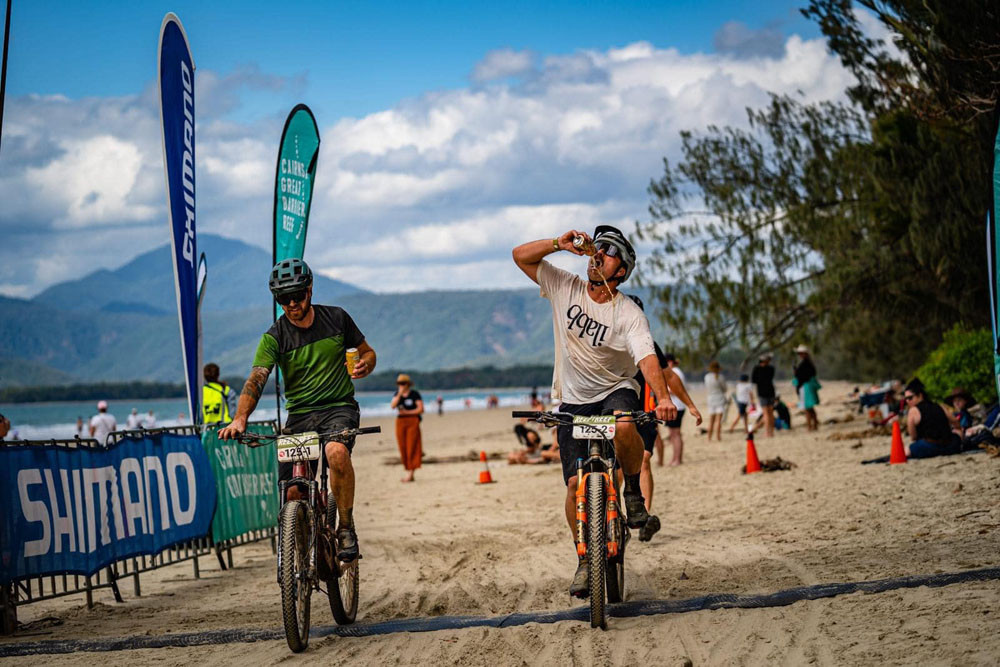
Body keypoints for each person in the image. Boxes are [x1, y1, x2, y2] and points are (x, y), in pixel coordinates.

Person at [513, 225, 676, 598]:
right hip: (572, 399)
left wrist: (663, 397)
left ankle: (632, 492)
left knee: (623, 425)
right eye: (597, 246)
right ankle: (585, 559)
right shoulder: (565, 286)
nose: (598, 253)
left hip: (615, 390)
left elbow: (648, 358)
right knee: (574, 487)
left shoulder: (629, 312)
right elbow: (520, 255)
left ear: (621, 271)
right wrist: (559, 244)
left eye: (609, 250)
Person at [219, 258, 376, 563]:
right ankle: (300, 560)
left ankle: (346, 527)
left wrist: (366, 363)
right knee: (292, 493)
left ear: (310, 289)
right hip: (300, 417)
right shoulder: (274, 337)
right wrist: (240, 419)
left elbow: (367, 351)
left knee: (336, 453)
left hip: (338, 408)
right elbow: (256, 378)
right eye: (283, 299)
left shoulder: (337, 318)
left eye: (297, 296)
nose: (291, 304)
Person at [626, 294, 701, 542]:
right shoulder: (606, 342)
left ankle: (644, 516)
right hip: (617, 412)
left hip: (645, 412)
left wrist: (689, 405)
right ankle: (615, 518)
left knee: (644, 460)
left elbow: (669, 377)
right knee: (616, 469)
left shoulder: (647, 344)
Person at [903, 379, 960, 458]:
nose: (907, 401)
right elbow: (955, 422)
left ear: (920, 395)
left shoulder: (913, 410)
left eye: (910, 398)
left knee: (907, 449)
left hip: (929, 447)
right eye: (906, 399)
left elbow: (913, 437)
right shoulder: (939, 406)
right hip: (949, 445)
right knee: (956, 436)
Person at [390, 374, 424, 482]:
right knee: (403, 446)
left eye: (403, 383)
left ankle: (410, 473)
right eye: (400, 383)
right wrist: (400, 393)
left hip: (413, 421)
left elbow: (420, 409)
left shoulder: (414, 394)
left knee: (412, 446)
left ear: (408, 384)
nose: (402, 385)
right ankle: (409, 471)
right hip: (400, 421)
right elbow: (393, 406)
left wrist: (407, 412)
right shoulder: (397, 394)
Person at [792, 345, 821, 431]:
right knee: (810, 407)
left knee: (807, 408)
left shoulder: (805, 364)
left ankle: (809, 426)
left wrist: (796, 373)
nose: (799, 355)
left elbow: (801, 376)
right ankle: (814, 425)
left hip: (805, 387)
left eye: (800, 353)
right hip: (806, 386)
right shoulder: (808, 363)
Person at [751, 353, 776, 437]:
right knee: (770, 413)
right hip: (771, 391)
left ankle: (767, 432)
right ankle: (771, 431)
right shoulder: (771, 369)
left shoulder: (757, 369)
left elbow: (753, 380)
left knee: (766, 413)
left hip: (762, 392)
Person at [704, 361, 727, 441]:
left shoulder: (707, 377)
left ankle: (709, 437)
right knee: (718, 421)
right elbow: (724, 389)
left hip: (710, 399)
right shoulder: (720, 377)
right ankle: (718, 437)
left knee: (711, 421)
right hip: (719, 398)